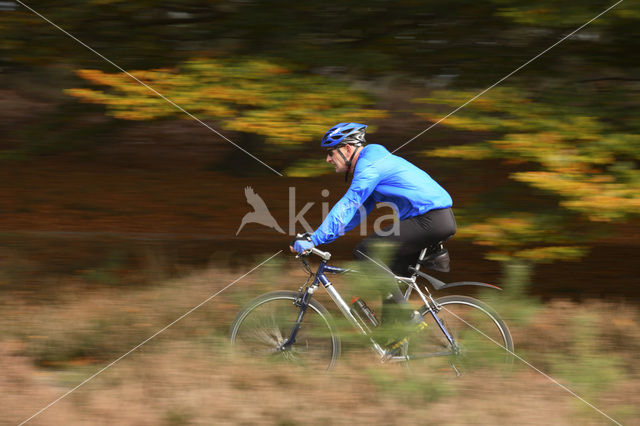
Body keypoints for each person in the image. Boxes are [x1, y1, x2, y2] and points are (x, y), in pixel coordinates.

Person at [289, 122, 456, 322]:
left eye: (331, 153)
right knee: (390, 271)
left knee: (366, 251)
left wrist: (315, 239)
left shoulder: (369, 166)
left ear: (347, 149)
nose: (328, 159)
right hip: (435, 219)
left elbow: (349, 203)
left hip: (430, 219)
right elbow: (356, 213)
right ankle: (393, 338)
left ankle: (406, 316)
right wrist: (319, 237)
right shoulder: (371, 162)